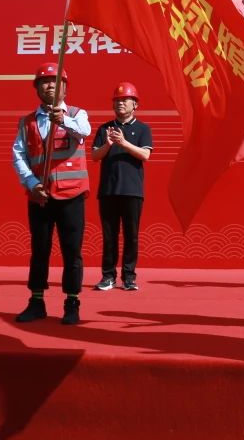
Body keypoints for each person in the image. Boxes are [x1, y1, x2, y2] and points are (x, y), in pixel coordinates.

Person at [12, 62, 92, 325]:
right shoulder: (27, 122)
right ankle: (36, 302)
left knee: (72, 251)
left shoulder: (77, 115)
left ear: (64, 88)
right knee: (40, 249)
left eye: (55, 81)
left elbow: (84, 132)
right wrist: (31, 182)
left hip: (71, 195)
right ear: (37, 88)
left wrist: (63, 120)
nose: (49, 86)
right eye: (44, 82)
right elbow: (19, 155)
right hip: (41, 196)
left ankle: (72, 303)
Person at [91, 81, 153, 292]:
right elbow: (94, 156)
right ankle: (108, 276)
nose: (120, 103)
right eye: (117, 100)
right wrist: (108, 144)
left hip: (132, 191)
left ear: (135, 104)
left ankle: (129, 277)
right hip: (108, 191)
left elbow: (145, 155)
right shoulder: (105, 129)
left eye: (125, 100)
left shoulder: (143, 129)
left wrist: (124, 143)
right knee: (109, 236)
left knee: (131, 236)